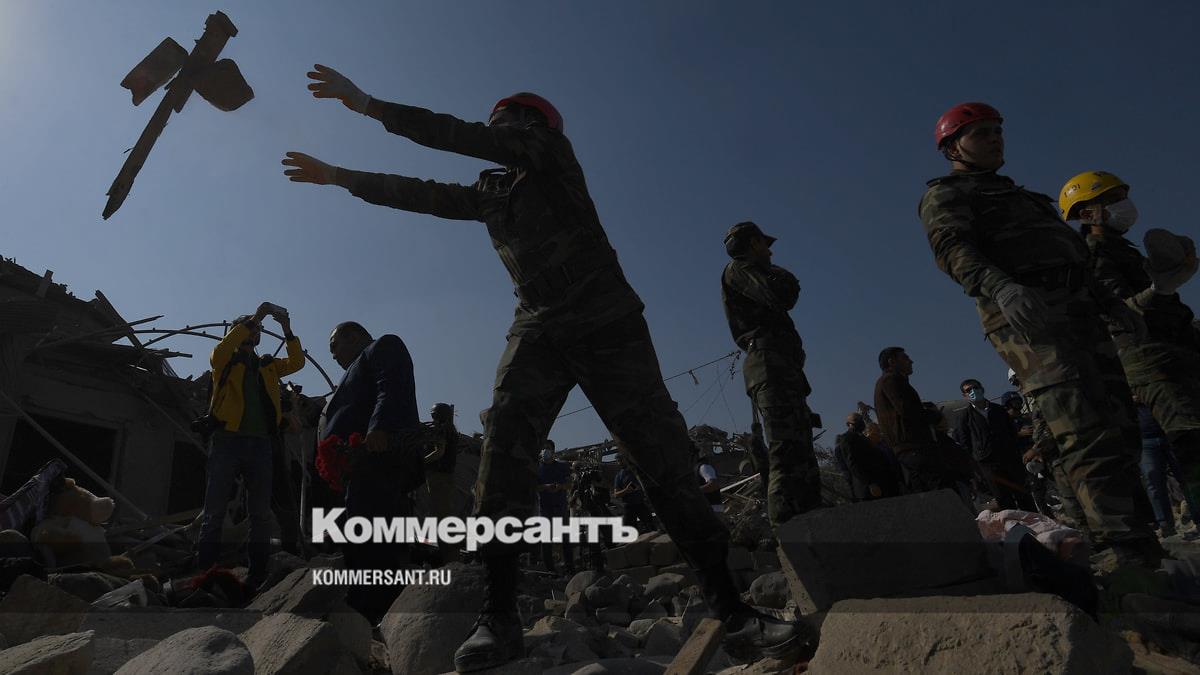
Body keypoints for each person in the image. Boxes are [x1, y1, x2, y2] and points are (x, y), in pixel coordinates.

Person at [284, 69, 809, 670]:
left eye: (505, 120)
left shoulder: (552, 155)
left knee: (659, 454)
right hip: (537, 324)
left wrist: (368, 105)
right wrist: (341, 177)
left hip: (605, 317)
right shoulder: (492, 193)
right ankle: (498, 616)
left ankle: (733, 611)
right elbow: (420, 194)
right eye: (496, 122)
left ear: (533, 125)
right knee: (502, 456)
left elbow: (457, 136)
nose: (496, 129)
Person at [919, 102, 1159, 567]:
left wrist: (1111, 304)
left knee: (1119, 425)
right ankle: (1121, 552)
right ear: (952, 147)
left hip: (1081, 315)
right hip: (1031, 322)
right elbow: (952, 248)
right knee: (1081, 427)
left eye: (997, 130)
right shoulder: (947, 195)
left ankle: (1136, 540)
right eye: (981, 133)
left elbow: (1074, 257)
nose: (995, 139)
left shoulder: (1025, 197)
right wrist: (999, 286)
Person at [1059, 170, 1200, 516]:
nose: (1124, 204)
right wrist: (1159, 289)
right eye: (1112, 199)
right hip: (1150, 360)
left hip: (1173, 350)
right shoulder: (1094, 254)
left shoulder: (1120, 248)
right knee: (1191, 441)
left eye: (1122, 196)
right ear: (1087, 213)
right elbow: (1117, 312)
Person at [196, 303, 304, 589]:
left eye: (257, 329)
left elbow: (296, 363)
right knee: (214, 511)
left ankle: (257, 574)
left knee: (260, 513)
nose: (254, 332)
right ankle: (205, 574)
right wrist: (256, 316)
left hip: (260, 443)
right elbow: (222, 349)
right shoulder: (224, 360)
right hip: (227, 439)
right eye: (248, 328)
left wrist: (287, 330)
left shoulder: (267, 365)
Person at [322, 321, 423, 623]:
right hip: (360, 464)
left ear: (353, 336)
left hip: (378, 454)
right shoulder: (353, 370)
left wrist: (379, 426)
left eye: (335, 346)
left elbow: (390, 384)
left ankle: (379, 607)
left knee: (375, 532)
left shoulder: (381, 346)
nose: (333, 355)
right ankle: (366, 604)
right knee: (361, 530)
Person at [721, 221, 821, 526]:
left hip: (781, 366)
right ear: (753, 244)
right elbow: (781, 295)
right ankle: (785, 529)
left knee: (801, 450)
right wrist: (783, 275)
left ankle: (812, 521)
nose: (770, 251)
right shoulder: (739, 269)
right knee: (786, 449)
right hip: (769, 366)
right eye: (765, 244)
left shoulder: (750, 271)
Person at [873, 347, 952, 492]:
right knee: (940, 488)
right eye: (905, 358)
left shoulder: (890, 381)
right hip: (914, 446)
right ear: (892, 361)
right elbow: (908, 410)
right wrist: (936, 417)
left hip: (910, 448)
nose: (911, 361)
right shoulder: (891, 380)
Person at [951, 379, 1034, 510]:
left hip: (1010, 459)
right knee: (1003, 499)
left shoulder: (999, 410)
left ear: (982, 389)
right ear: (964, 395)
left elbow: (1012, 433)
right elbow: (964, 441)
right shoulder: (964, 417)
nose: (973, 391)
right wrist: (976, 462)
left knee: (1023, 494)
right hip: (988, 464)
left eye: (975, 387)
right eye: (968, 390)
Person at [424, 402, 462, 563]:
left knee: (439, 515)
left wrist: (421, 461)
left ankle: (447, 554)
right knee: (442, 513)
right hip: (446, 476)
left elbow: (439, 451)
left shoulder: (442, 431)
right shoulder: (451, 431)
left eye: (434, 415)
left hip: (439, 476)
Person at [834, 412, 900, 502]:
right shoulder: (847, 439)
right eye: (856, 420)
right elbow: (853, 464)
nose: (861, 422)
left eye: (861, 419)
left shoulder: (863, 438)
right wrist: (869, 483)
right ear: (848, 424)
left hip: (879, 483)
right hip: (867, 488)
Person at [537, 441, 574, 575]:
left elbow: (570, 484)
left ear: (553, 451)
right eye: (543, 448)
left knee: (565, 538)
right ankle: (550, 569)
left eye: (548, 448)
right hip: (545, 508)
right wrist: (546, 487)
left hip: (560, 506)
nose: (545, 450)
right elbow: (533, 486)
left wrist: (561, 486)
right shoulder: (537, 468)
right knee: (546, 539)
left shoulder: (562, 466)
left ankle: (570, 568)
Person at [612, 456, 654, 533]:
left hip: (641, 503)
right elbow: (616, 494)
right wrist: (626, 490)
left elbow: (641, 484)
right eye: (618, 461)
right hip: (628, 507)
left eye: (621, 460)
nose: (620, 462)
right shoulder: (619, 476)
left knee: (652, 527)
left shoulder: (636, 470)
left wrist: (637, 487)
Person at [696, 446, 724, 514]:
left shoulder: (704, 467)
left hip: (713, 509)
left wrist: (695, 491)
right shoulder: (694, 468)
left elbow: (713, 485)